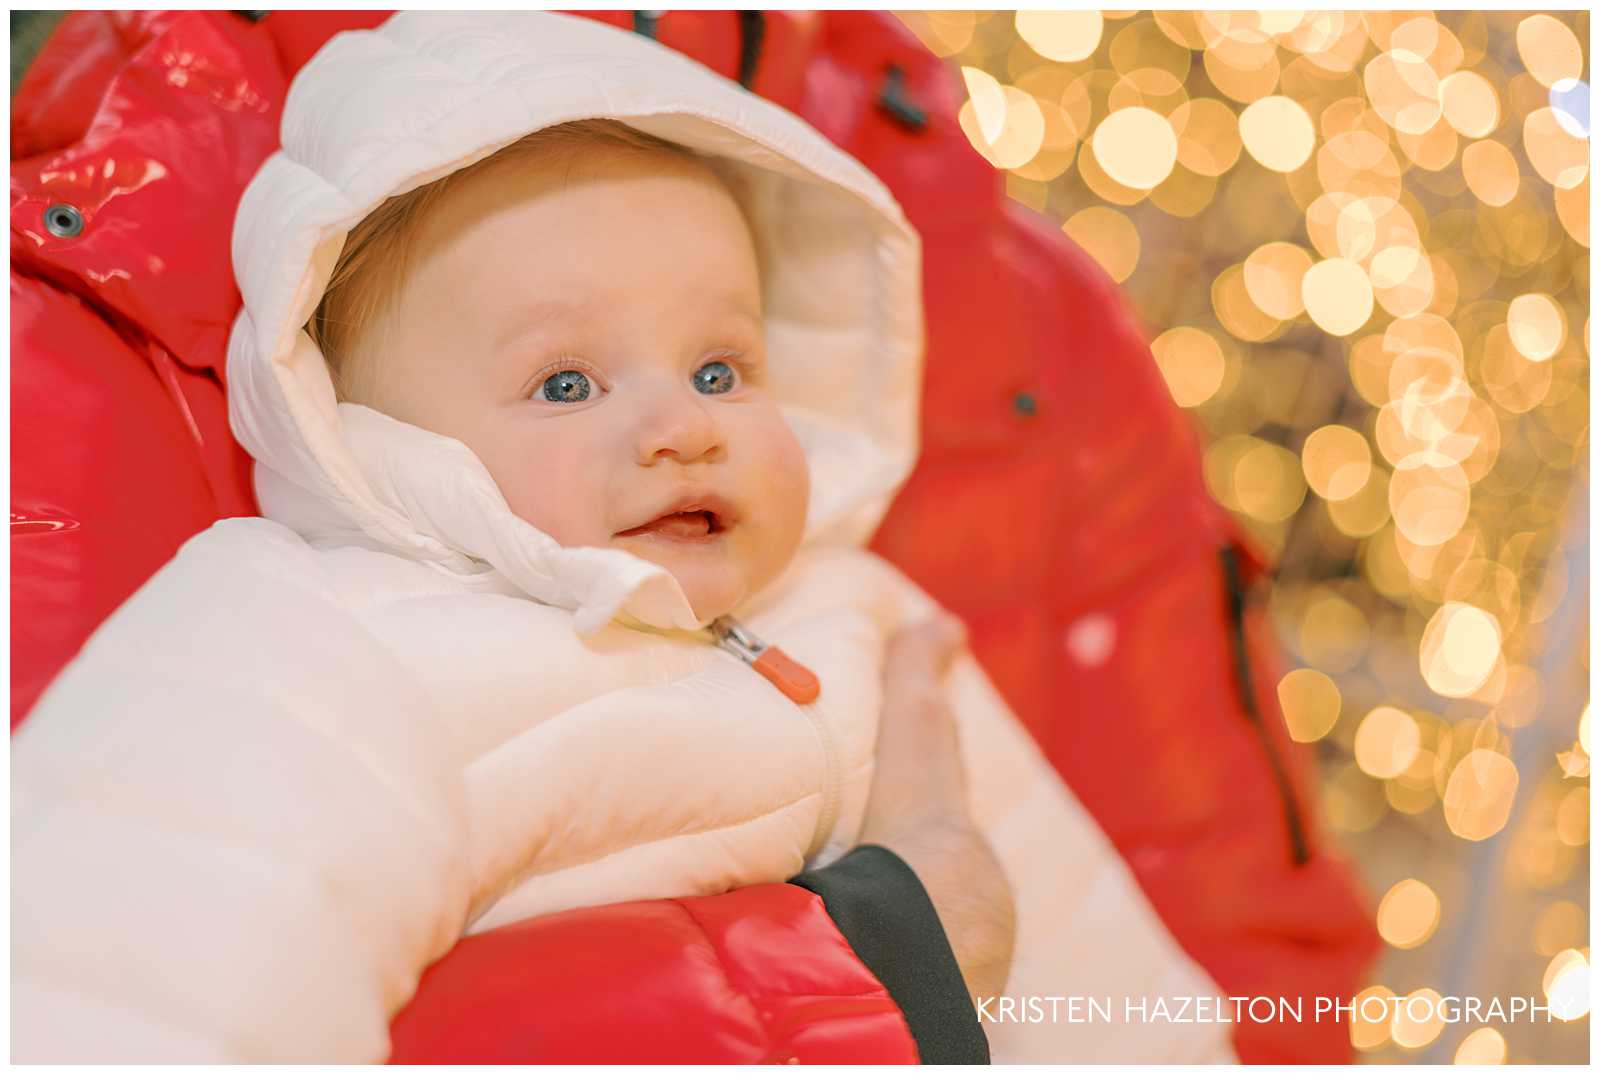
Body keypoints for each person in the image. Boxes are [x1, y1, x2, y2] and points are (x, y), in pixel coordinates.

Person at [11, 12, 1237, 1064]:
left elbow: (1082, 956)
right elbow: (151, 971)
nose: (681, 428)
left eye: (719, 365)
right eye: (565, 385)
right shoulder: (326, 643)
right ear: (373, 437)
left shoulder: (857, 613)